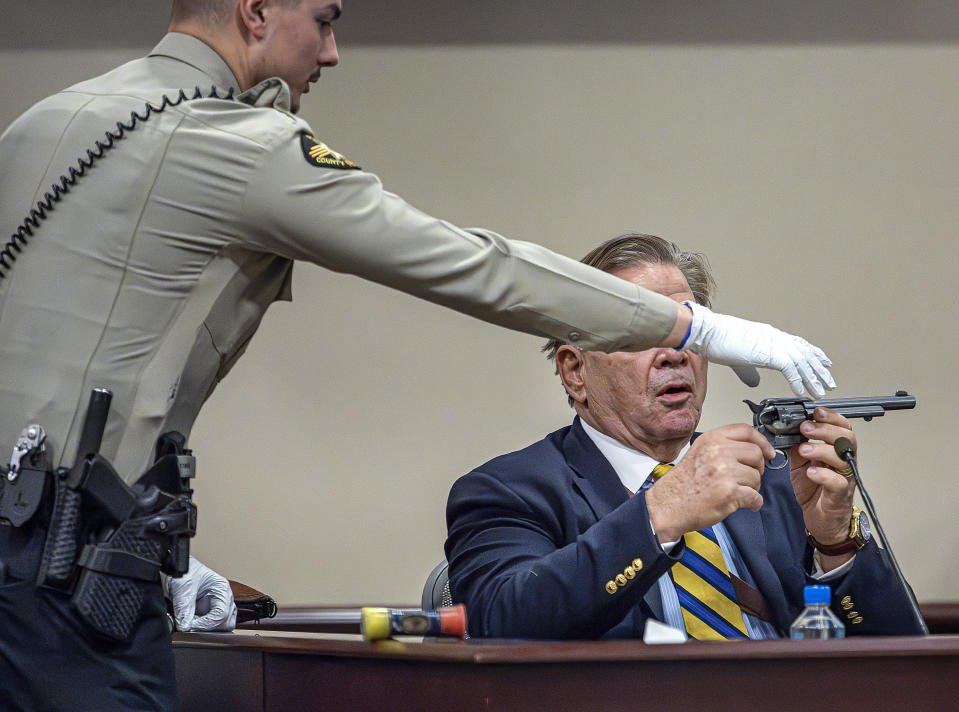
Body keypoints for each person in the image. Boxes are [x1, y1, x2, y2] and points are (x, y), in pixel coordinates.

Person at [0, 1, 835, 709]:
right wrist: (698, 328)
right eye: (322, 19)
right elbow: (475, 265)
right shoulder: (234, 140)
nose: (331, 50)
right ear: (255, 9)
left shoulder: (47, 121)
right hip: (67, 575)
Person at [445, 233, 924, 640]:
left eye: (689, 334)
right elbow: (499, 621)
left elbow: (905, 663)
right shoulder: (508, 490)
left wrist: (836, 543)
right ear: (574, 371)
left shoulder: (772, 480)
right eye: (640, 334)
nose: (674, 355)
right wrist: (661, 511)